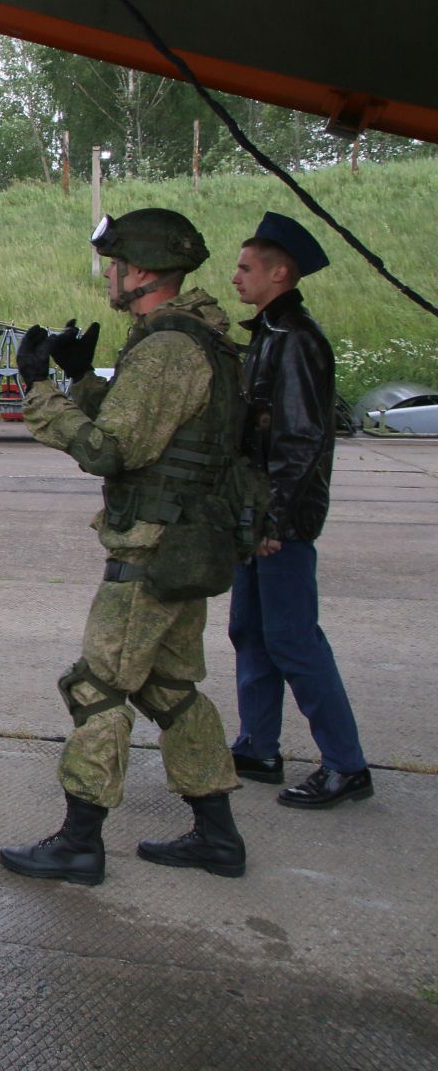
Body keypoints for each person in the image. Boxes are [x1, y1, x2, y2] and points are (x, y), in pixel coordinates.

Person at [0, 208, 245, 887]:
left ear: (138, 271)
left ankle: (80, 843)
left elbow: (112, 449)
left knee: (98, 688)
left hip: (151, 550)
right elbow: (160, 431)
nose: (109, 276)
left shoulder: (168, 347)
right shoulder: (203, 339)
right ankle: (218, 836)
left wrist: (41, 391)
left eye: (114, 264)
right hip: (185, 547)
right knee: (170, 690)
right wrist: (86, 381)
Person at [227, 212, 372, 809]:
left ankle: (347, 765)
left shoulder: (296, 340)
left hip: (278, 521)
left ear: (279, 273)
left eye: (246, 267)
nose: (235, 277)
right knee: (251, 633)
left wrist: (273, 521)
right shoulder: (270, 335)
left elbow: (299, 440)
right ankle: (258, 745)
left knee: (293, 640)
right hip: (256, 516)